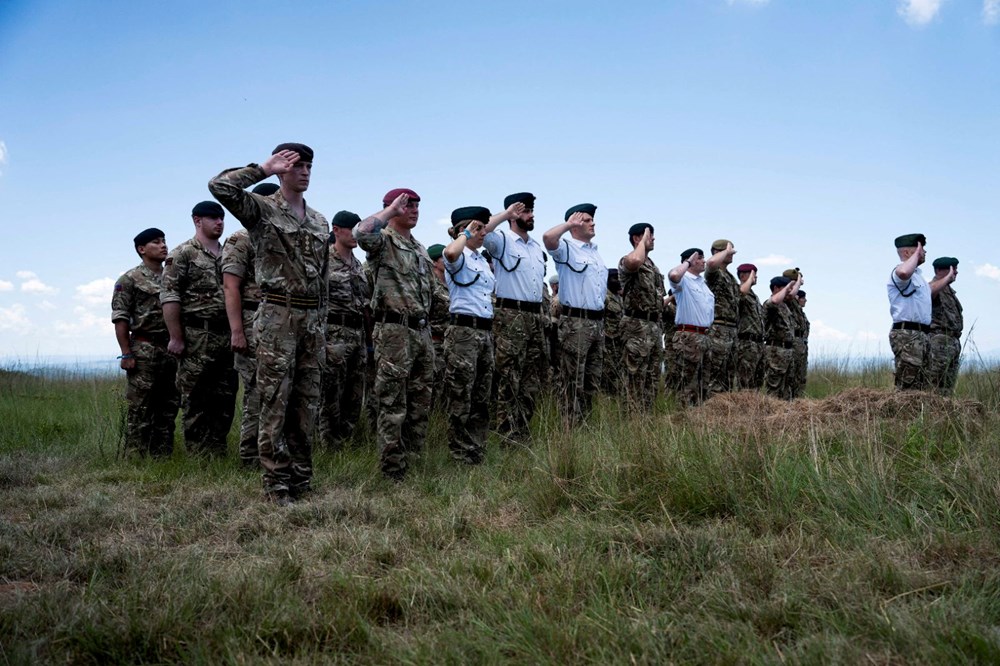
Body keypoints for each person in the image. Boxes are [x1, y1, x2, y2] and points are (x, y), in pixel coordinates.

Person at [208, 143, 329, 504]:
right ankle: (276, 484)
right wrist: (263, 169)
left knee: (306, 401)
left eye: (308, 166)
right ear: (281, 170)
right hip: (277, 314)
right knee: (275, 399)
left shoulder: (319, 220)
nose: (303, 172)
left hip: (311, 318)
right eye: (295, 166)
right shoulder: (261, 210)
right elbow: (220, 187)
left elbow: (322, 277)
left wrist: (321, 321)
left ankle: (301, 479)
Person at [354, 188, 436, 480]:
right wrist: (390, 212)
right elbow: (361, 233)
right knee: (392, 403)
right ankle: (392, 470)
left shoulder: (419, 248)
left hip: (421, 331)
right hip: (393, 331)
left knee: (420, 402)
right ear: (389, 207)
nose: (413, 209)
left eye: (416, 204)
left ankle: (414, 463)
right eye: (406, 204)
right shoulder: (383, 240)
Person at [161, 201, 237, 456]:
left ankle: (218, 450)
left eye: (222, 218)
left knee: (225, 396)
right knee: (195, 397)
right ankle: (197, 454)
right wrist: (176, 337)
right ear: (197, 220)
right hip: (197, 335)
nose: (219, 222)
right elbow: (170, 296)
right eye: (213, 218)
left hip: (227, 334)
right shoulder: (183, 253)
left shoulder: (230, 253)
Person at [481, 193, 548, 443]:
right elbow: (482, 231)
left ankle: (522, 430)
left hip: (535, 316)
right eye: (525, 211)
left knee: (532, 378)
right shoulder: (502, 241)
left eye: (531, 211)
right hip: (510, 315)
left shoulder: (535, 248)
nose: (531, 216)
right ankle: (505, 433)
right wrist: (506, 214)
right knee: (509, 376)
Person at [222, 182, 278, 466]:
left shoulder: (281, 239)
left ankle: (272, 451)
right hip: (251, 319)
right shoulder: (240, 240)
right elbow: (231, 287)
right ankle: (250, 456)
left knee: (277, 390)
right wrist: (237, 332)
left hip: (278, 322)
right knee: (256, 390)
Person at [112, 228, 179, 457]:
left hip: (171, 348)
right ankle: (135, 457)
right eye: (156, 242)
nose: (163, 245)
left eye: (164, 241)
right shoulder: (129, 279)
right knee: (140, 407)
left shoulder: (173, 277)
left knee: (168, 406)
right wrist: (126, 353)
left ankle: (163, 456)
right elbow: (120, 317)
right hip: (143, 348)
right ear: (142, 249)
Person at [543, 204, 608, 426]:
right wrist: (570, 224)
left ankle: (587, 428)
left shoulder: (596, 253)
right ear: (576, 224)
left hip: (597, 323)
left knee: (592, 381)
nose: (592, 223)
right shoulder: (567, 248)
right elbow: (548, 238)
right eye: (587, 220)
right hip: (576, 322)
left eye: (592, 220)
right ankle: (569, 430)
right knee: (572, 381)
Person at [442, 207, 496, 464]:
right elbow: (451, 253)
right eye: (479, 228)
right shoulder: (458, 253)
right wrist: (465, 232)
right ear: (466, 229)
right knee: (461, 394)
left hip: (484, 332)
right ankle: (459, 452)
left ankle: (476, 450)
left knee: (481, 395)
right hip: (463, 332)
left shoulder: (481, 260)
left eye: (484, 227)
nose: (484, 232)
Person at [319, 210, 371, 449]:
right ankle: (327, 444)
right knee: (331, 392)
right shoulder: (324, 260)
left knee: (354, 392)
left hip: (357, 334)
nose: (355, 234)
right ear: (336, 230)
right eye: (350, 229)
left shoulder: (359, 265)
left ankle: (346, 441)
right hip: (333, 333)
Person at [887, 234, 952, 391]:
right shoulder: (899, 272)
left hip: (922, 334)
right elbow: (903, 273)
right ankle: (901, 414)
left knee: (922, 385)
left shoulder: (918, 277)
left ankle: (916, 415)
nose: (925, 252)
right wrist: (916, 254)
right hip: (907, 334)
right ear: (909, 252)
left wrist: (948, 278)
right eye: (922, 249)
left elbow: (929, 291)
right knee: (908, 385)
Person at [618, 223, 665, 409]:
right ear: (637, 238)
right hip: (636, 325)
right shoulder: (629, 260)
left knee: (652, 377)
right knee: (634, 374)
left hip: (653, 326)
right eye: (649, 235)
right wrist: (643, 239)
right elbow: (634, 262)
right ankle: (631, 419)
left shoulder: (653, 267)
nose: (653, 238)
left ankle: (646, 420)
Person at [667, 248, 715, 406]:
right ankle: (682, 419)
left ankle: (699, 419)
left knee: (703, 383)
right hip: (688, 336)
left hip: (705, 337)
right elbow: (673, 275)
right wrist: (688, 262)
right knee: (687, 383)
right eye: (700, 258)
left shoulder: (703, 283)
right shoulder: (683, 280)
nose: (704, 261)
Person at [705, 240, 740, 395]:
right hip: (718, 328)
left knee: (728, 373)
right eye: (728, 251)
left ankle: (725, 410)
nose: (731, 254)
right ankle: (712, 410)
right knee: (716, 372)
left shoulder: (731, 278)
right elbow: (711, 263)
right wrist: (725, 251)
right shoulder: (714, 272)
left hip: (731, 328)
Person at [763, 275, 801, 400]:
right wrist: (788, 288)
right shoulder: (770, 304)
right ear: (776, 288)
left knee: (786, 389)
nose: (789, 292)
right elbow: (774, 301)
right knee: (773, 389)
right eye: (786, 288)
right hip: (775, 352)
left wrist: (798, 280)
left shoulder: (785, 305)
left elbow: (791, 294)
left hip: (787, 352)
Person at [928, 256, 962, 395]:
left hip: (952, 341)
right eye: (952, 270)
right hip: (939, 342)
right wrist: (947, 278)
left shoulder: (949, 292)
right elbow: (929, 292)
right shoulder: (933, 287)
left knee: (947, 386)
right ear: (939, 270)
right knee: (935, 383)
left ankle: (944, 412)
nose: (956, 273)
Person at [426, 243, 451, 408]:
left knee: (447, 384)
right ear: (435, 262)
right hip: (434, 342)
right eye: (444, 258)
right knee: (434, 384)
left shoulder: (451, 284)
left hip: (449, 342)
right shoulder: (429, 284)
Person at [734, 263, 765, 390]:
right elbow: (740, 294)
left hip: (757, 344)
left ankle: (754, 408)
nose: (755, 277)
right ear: (742, 276)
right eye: (752, 274)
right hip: (746, 343)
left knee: (757, 382)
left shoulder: (754, 296)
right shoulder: (739, 290)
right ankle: (743, 409)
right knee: (745, 382)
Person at [602, 268, 625, 396]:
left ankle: (616, 396)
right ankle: (606, 397)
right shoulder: (604, 297)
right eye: (615, 278)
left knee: (619, 370)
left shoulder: (620, 298)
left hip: (619, 340)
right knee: (608, 371)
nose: (618, 281)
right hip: (607, 340)